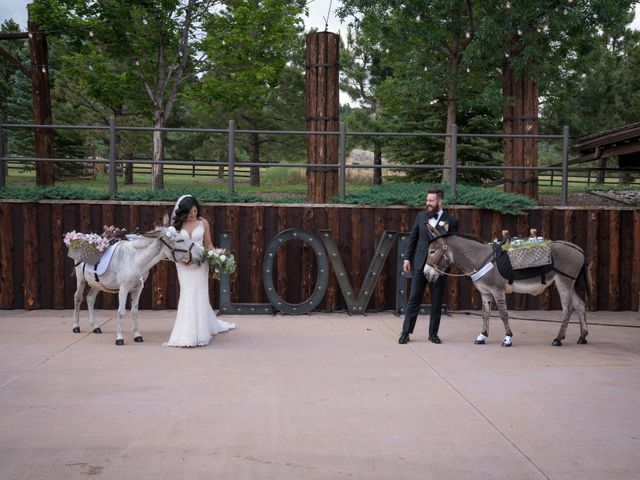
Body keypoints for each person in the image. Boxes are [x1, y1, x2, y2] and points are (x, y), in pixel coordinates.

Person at [164, 195, 235, 347]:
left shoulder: (203, 223)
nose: (193, 215)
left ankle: (201, 332)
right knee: (187, 293)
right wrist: (183, 260)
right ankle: (186, 333)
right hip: (183, 264)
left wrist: (217, 258)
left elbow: (208, 244)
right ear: (183, 212)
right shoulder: (176, 226)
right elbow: (173, 248)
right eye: (190, 213)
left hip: (200, 262)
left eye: (195, 211)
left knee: (199, 292)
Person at [399, 188, 459, 345]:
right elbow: (413, 238)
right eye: (427, 200)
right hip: (420, 264)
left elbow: (452, 246)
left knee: (437, 301)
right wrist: (407, 259)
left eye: (431, 201)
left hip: (439, 267)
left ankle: (433, 334)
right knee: (414, 299)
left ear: (439, 201)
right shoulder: (421, 216)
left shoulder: (451, 221)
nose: (428, 203)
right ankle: (405, 333)